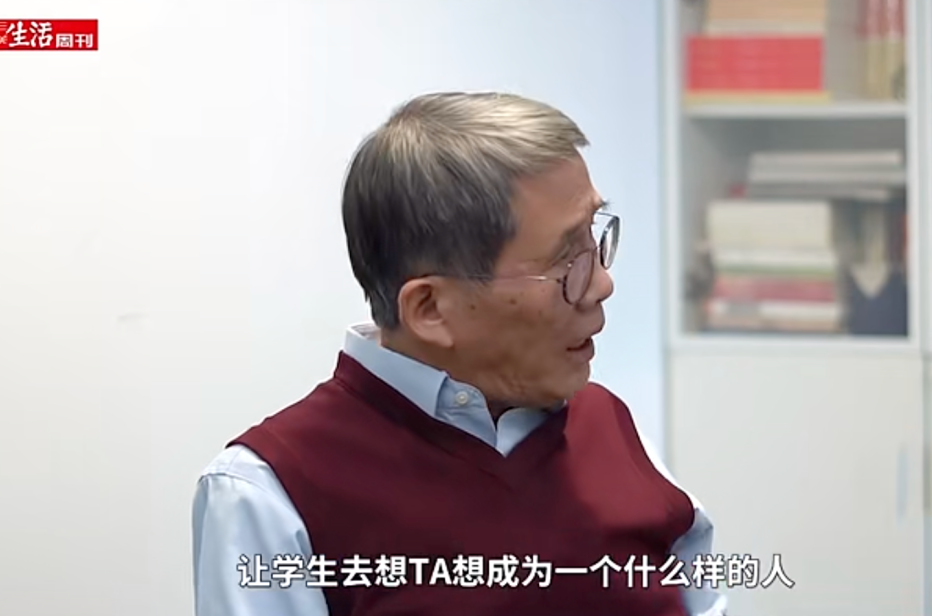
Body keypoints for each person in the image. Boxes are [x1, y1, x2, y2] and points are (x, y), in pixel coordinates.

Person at [191, 91, 728, 616]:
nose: (602, 284)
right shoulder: (270, 492)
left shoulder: (609, 425)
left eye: (595, 237)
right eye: (566, 261)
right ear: (431, 309)